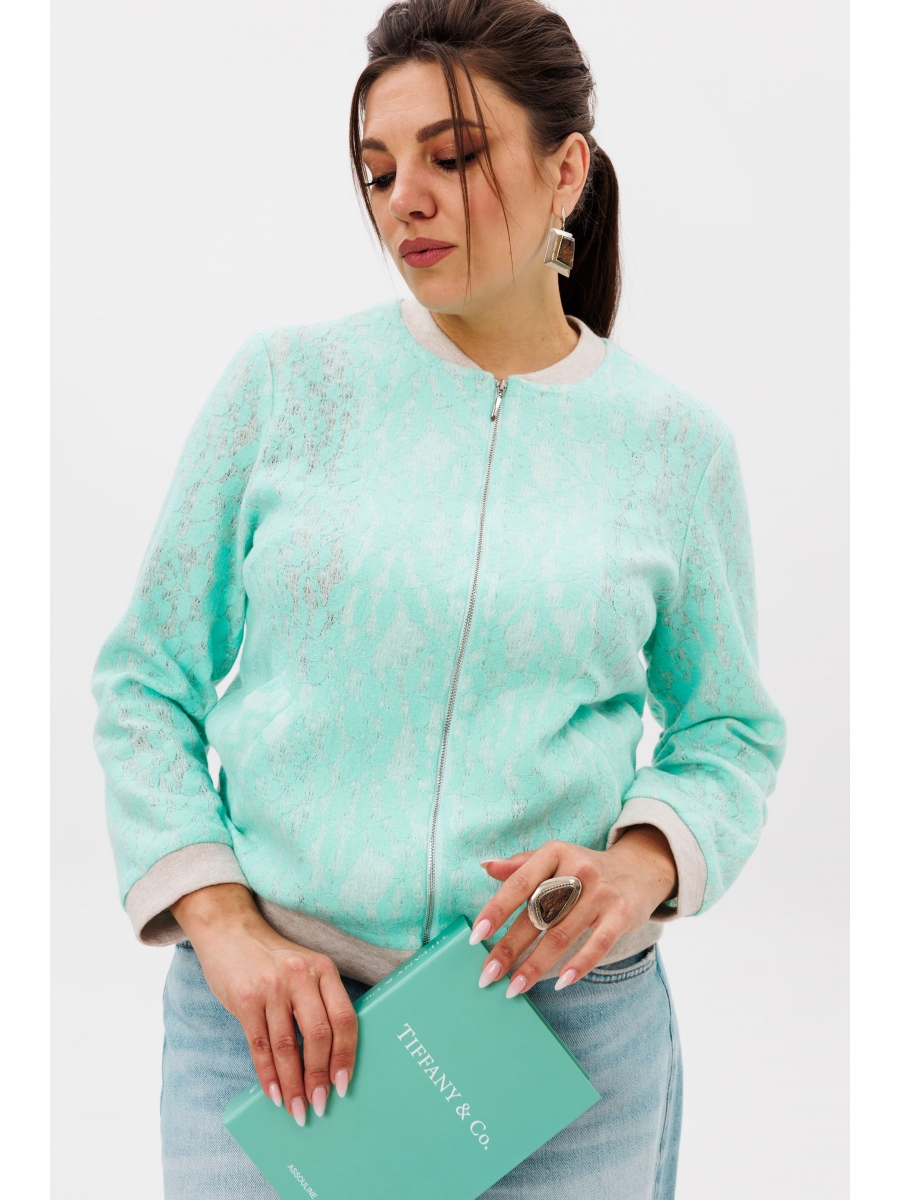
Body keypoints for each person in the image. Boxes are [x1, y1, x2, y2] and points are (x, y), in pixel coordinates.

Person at [91, 1, 786, 1196]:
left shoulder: (674, 449)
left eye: (453, 157)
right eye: (378, 170)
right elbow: (145, 684)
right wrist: (224, 925)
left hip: (557, 1039)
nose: (404, 199)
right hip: (274, 1029)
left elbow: (728, 729)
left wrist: (638, 863)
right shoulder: (285, 387)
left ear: (566, 171)